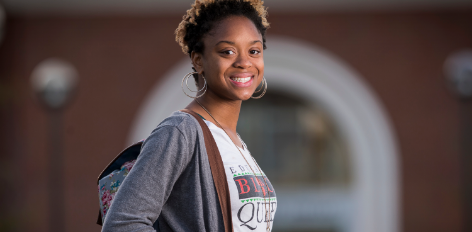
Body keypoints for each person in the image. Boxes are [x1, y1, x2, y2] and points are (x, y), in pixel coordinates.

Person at [102, 0, 276, 231]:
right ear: (198, 60)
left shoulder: (235, 142)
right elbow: (123, 224)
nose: (244, 62)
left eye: (254, 51)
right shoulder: (180, 131)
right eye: (227, 51)